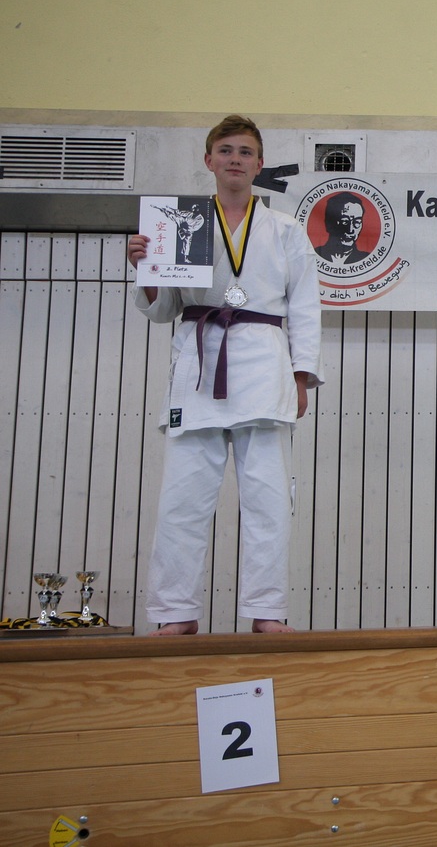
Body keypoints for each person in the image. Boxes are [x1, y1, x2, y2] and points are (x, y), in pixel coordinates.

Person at [126, 114, 322, 635]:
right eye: (226, 150)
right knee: (181, 499)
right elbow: (165, 308)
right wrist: (146, 272)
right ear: (208, 160)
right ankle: (175, 613)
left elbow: (305, 307)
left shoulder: (286, 229)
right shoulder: (180, 223)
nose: (235, 159)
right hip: (199, 362)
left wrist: (301, 376)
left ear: (260, 164)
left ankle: (267, 610)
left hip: (264, 365)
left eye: (245, 152)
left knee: (268, 499)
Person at [316, 191, 371, 264]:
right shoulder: (312, 256)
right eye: (345, 221)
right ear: (329, 224)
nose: (350, 230)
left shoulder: (367, 259)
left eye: (357, 222)